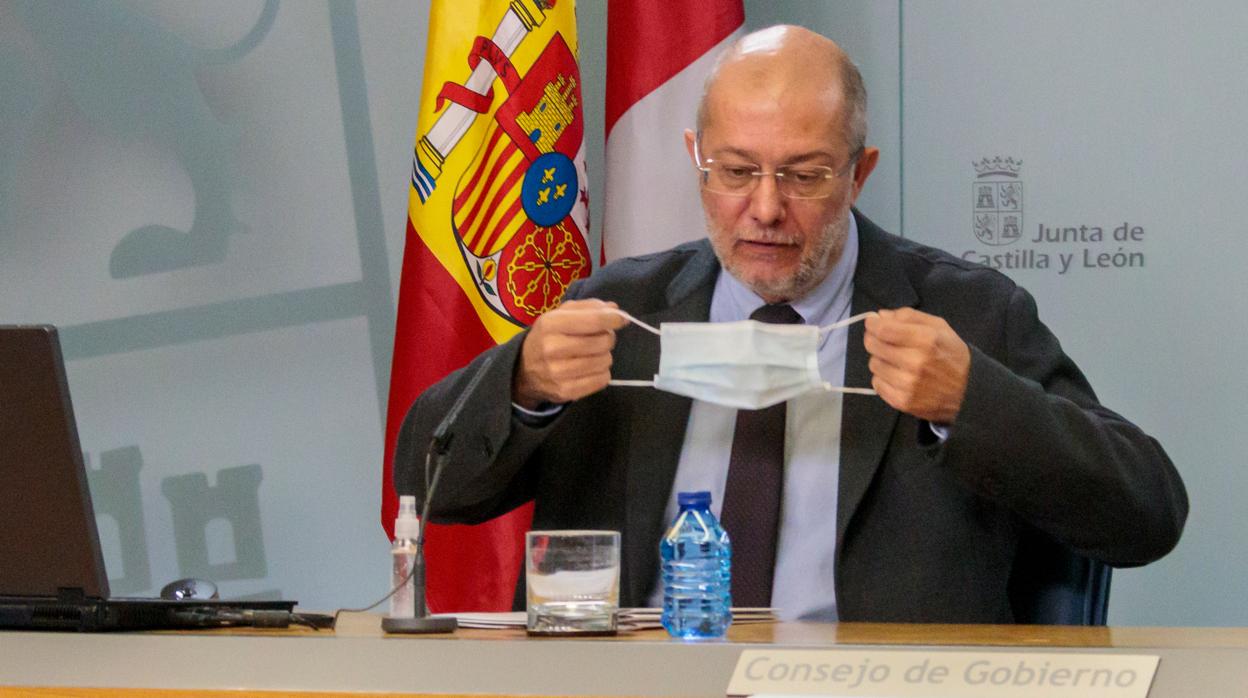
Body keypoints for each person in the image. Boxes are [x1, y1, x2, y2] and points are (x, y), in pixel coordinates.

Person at [393, 25, 1187, 623]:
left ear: (858, 174)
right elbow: (424, 484)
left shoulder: (969, 314)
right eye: (736, 172)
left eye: (804, 176)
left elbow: (1147, 514)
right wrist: (524, 383)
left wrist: (970, 402)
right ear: (695, 159)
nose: (766, 209)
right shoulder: (621, 308)